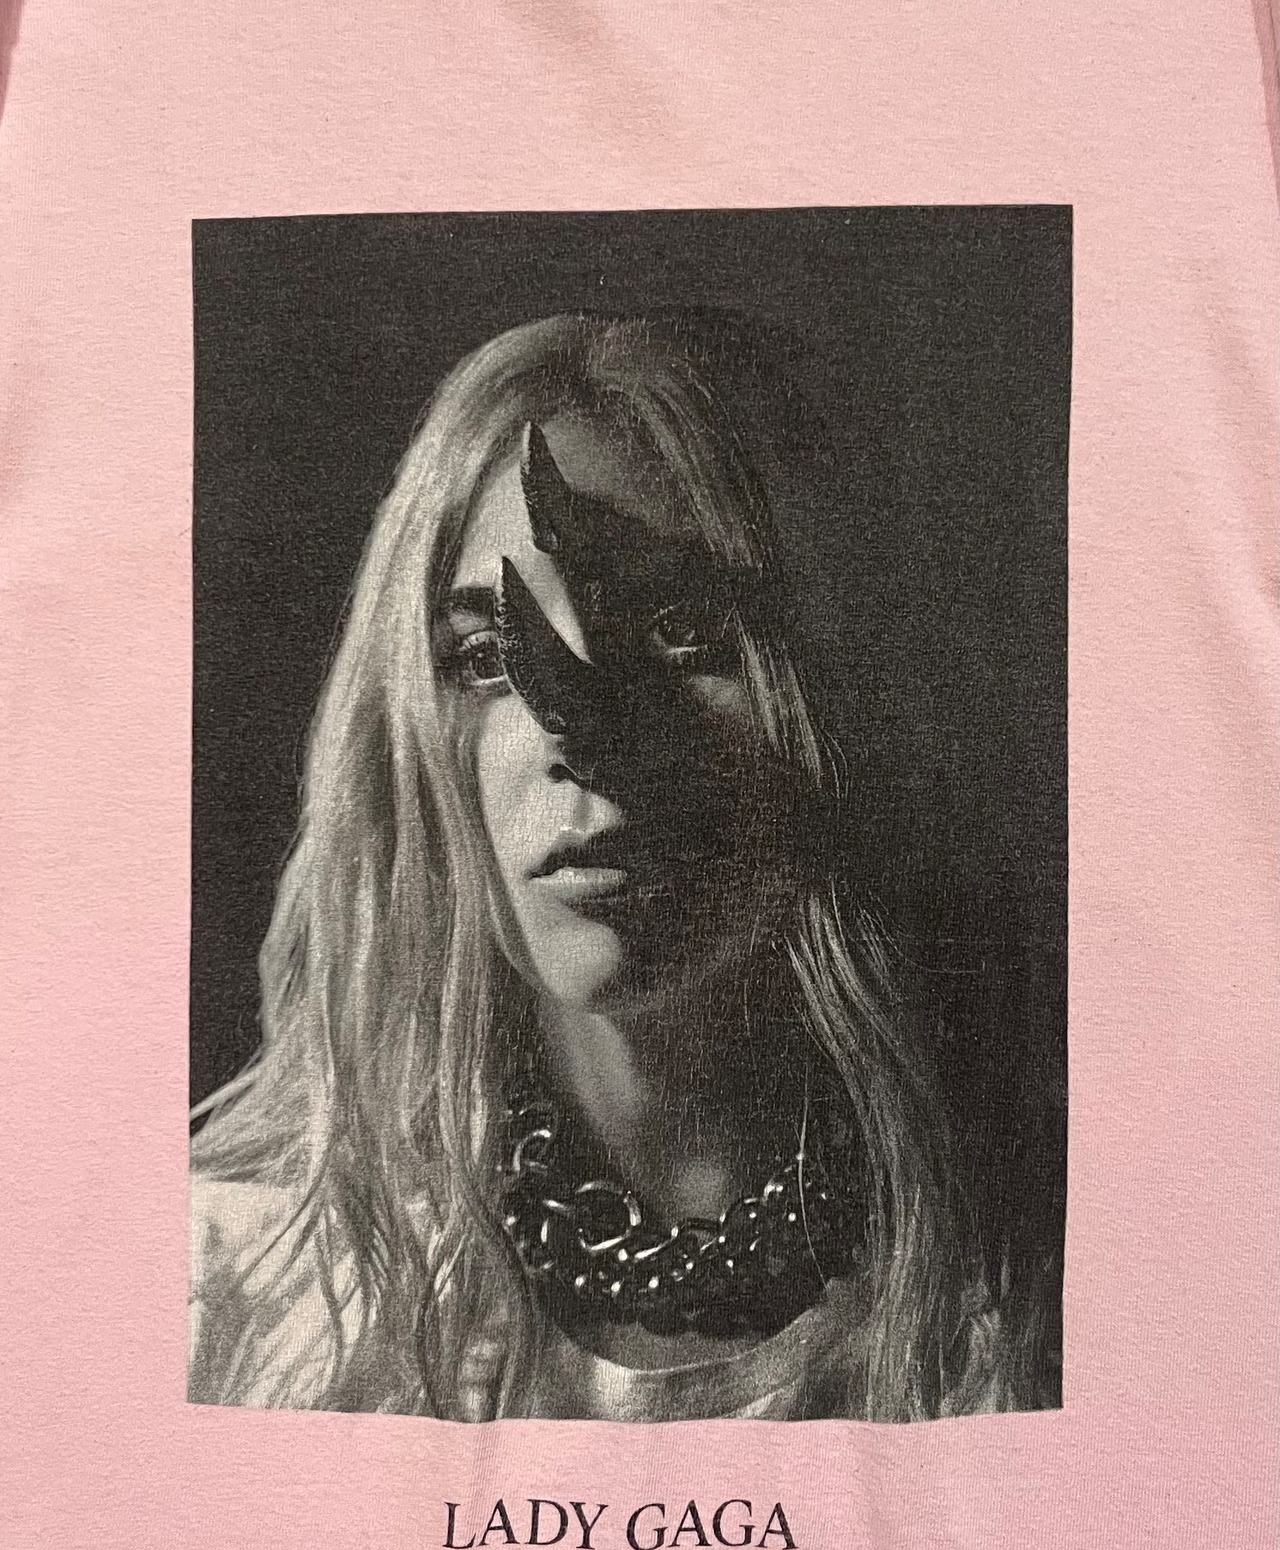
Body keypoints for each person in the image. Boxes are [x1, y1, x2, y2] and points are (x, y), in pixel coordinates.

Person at [189, 312, 1024, 1422]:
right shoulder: (237, 1304)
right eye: (486, 655)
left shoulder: (1026, 1308)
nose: (576, 736)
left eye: (682, 630)